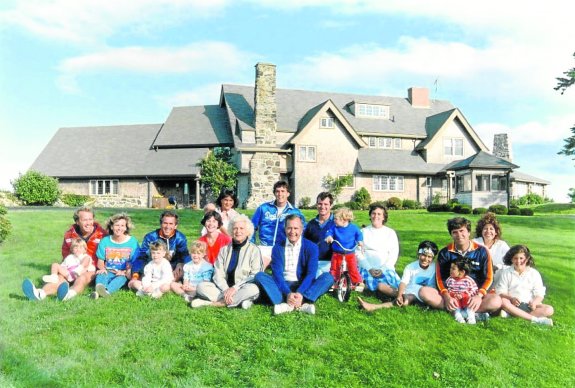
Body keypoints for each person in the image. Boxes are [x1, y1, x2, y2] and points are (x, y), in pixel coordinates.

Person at [419, 217, 501, 319]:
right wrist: (447, 297)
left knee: (496, 301)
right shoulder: (445, 253)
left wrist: (479, 296)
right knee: (424, 292)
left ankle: (464, 311)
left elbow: (489, 278)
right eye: (455, 232)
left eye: (462, 231)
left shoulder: (482, 251)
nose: (459, 235)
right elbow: (440, 279)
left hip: (473, 295)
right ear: (451, 234)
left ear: (469, 232)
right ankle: (461, 310)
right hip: (452, 294)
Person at [22, 206, 106, 301]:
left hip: (91, 269)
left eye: (90, 219)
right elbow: (66, 254)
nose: (88, 223)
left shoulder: (102, 234)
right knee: (59, 278)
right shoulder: (69, 235)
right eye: (84, 220)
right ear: (77, 221)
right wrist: (65, 270)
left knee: (82, 278)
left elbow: (108, 254)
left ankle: (68, 295)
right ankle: (40, 294)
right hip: (72, 267)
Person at [255, 215, 334, 315]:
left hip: (302, 283)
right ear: (285, 229)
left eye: (296, 228)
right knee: (260, 276)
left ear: (301, 230)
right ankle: (299, 304)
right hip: (283, 283)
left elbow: (311, 274)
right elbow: (277, 274)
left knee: (328, 277)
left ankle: (294, 302)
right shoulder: (278, 247)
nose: (292, 232)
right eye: (289, 228)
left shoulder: (311, 247)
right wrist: (288, 293)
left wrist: (300, 293)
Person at [192, 214, 263, 309]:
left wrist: (235, 288)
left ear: (247, 232)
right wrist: (226, 290)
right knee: (201, 286)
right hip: (223, 289)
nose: (238, 231)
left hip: (242, 288)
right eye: (235, 228)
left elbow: (255, 275)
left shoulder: (254, 250)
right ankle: (240, 301)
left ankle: (215, 303)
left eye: (241, 228)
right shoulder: (224, 249)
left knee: (254, 289)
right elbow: (218, 273)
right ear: (231, 230)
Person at [359, 240, 438, 312]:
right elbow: (403, 283)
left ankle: (373, 307)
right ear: (418, 254)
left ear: (433, 258)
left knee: (405, 301)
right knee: (380, 286)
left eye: (429, 257)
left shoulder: (435, 268)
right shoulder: (411, 267)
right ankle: (397, 297)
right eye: (423, 255)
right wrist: (399, 295)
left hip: (422, 294)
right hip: (409, 290)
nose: (426, 259)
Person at [129, 210, 190, 290]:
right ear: (161, 224)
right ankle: (153, 285)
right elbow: (142, 257)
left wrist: (181, 263)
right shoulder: (150, 237)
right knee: (130, 273)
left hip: (171, 267)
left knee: (182, 269)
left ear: (175, 226)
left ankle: (166, 284)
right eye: (165, 223)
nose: (168, 227)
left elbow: (185, 255)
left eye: (171, 224)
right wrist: (135, 275)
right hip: (153, 266)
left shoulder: (180, 238)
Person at [251, 180, 305, 268]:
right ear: (274, 193)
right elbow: (251, 227)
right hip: (265, 247)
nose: (280, 194)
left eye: (283, 191)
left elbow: (302, 230)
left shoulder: (295, 212)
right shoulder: (263, 208)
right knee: (257, 269)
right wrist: (252, 245)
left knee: (284, 273)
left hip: (284, 247)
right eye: (277, 191)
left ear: (288, 193)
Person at [496, 245, 554, 326]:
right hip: (512, 303)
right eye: (515, 258)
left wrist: (534, 303)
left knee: (549, 309)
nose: (518, 261)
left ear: (526, 259)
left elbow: (539, 293)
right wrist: (511, 298)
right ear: (511, 259)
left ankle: (512, 315)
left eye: (521, 258)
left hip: (528, 305)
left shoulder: (534, 273)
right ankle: (536, 320)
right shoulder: (506, 272)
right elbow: (501, 291)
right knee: (503, 301)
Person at [356, 204, 401, 300]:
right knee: (360, 281)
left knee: (385, 283)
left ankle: (387, 292)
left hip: (385, 268)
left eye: (379, 214)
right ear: (370, 215)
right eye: (373, 213)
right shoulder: (363, 232)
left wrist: (383, 269)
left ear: (384, 217)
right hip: (366, 268)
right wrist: (369, 268)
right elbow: (358, 253)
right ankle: (376, 291)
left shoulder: (390, 233)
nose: (376, 216)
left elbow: (393, 254)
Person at [90, 213, 139, 299]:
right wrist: (102, 269)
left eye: (122, 225)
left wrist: (124, 272)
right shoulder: (105, 241)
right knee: (101, 275)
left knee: (121, 279)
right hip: (108, 270)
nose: (119, 228)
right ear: (111, 227)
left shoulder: (132, 242)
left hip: (122, 273)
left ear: (126, 227)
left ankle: (107, 291)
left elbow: (135, 261)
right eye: (117, 225)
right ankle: (100, 290)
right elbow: (100, 261)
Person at [325, 207, 363, 288]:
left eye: (336, 219)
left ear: (344, 219)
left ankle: (357, 281)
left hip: (350, 252)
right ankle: (333, 281)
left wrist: (360, 241)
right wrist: (329, 237)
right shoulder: (334, 227)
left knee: (353, 268)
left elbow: (359, 234)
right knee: (335, 268)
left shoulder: (353, 228)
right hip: (337, 252)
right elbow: (329, 232)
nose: (334, 220)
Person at [473, 212, 510, 285]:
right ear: (481, 231)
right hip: (477, 280)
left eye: (491, 229)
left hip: (498, 281)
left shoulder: (502, 245)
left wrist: (497, 267)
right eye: (485, 229)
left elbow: (510, 262)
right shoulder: (474, 243)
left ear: (496, 232)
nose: (488, 231)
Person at [303, 192, 335, 275]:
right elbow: (305, 244)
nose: (322, 207)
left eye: (326, 204)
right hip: (315, 262)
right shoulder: (311, 224)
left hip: (332, 263)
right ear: (316, 205)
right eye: (320, 204)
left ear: (331, 205)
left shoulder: (337, 223)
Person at [446, 259, 479, 324]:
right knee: (455, 308)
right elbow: (448, 289)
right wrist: (453, 294)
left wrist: (464, 294)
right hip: (456, 300)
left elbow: (474, 289)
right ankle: (459, 318)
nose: (450, 270)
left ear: (462, 272)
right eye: (450, 268)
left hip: (465, 299)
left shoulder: (468, 280)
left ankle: (471, 318)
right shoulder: (450, 280)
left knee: (470, 305)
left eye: (453, 269)